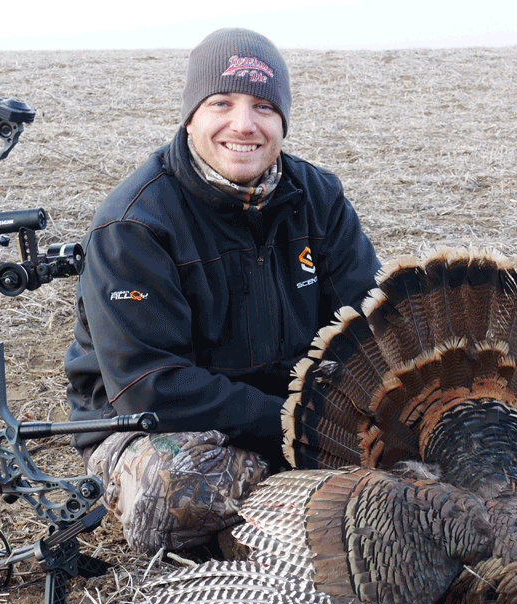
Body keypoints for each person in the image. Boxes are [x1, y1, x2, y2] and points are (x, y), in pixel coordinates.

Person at [64, 28, 381, 555]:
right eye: (221, 103)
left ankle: (310, 506)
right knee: (172, 493)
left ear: (282, 120)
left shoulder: (318, 197)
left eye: (263, 106)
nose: (244, 124)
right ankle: (312, 512)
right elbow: (151, 387)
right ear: (192, 116)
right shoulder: (134, 224)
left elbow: (368, 325)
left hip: (295, 413)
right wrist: (297, 424)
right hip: (158, 426)